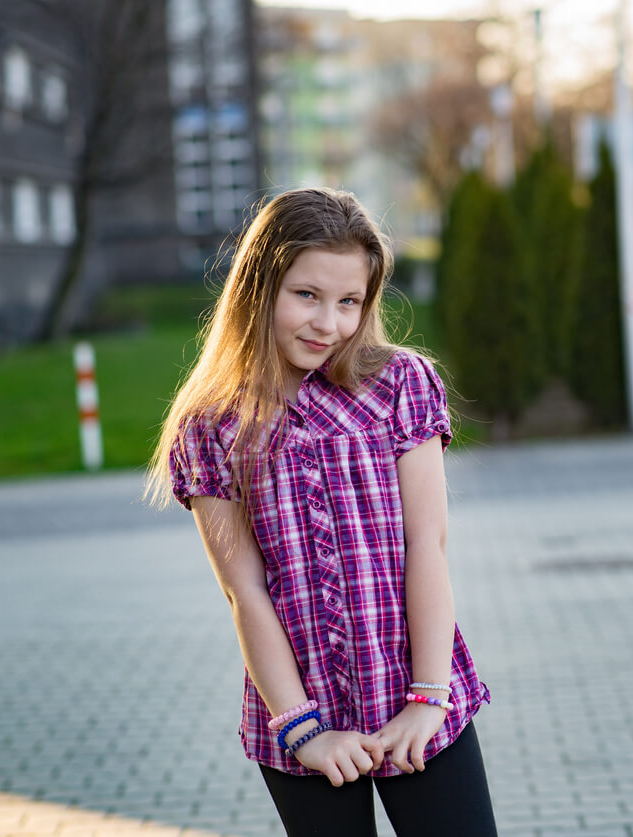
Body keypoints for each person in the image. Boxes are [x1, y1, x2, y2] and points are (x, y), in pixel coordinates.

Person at [145, 187, 497, 836]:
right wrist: (306, 733)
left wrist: (427, 698)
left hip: (418, 698)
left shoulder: (400, 385)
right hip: (299, 716)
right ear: (260, 286)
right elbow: (243, 589)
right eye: (306, 295)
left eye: (348, 301)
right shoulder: (212, 423)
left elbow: (427, 545)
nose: (327, 322)